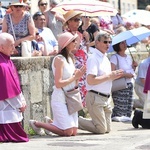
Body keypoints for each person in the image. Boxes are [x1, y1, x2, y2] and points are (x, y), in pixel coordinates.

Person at [29, 32, 86, 136]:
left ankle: (51, 123)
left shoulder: (70, 58)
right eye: (73, 41)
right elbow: (58, 83)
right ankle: (37, 124)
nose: (76, 42)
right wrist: (75, 77)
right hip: (60, 97)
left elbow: (73, 80)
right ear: (67, 43)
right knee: (68, 132)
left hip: (70, 96)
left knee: (73, 132)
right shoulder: (59, 59)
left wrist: (77, 77)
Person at [78, 32, 124, 134]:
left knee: (107, 130)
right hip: (95, 96)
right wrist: (109, 76)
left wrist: (114, 76)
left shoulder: (105, 58)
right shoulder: (94, 58)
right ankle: (75, 121)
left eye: (109, 42)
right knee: (101, 129)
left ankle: (79, 121)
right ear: (97, 43)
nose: (108, 44)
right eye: (105, 42)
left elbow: (106, 78)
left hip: (106, 98)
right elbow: (91, 80)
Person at [0, 32, 28, 142]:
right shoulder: (2, 65)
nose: (14, 47)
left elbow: (14, 83)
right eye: (11, 45)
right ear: (1, 47)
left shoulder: (6, 59)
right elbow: (7, 89)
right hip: (6, 104)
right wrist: (19, 104)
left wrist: (22, 100)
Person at [64, 10, 88, 107]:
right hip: (74, 64)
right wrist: (78, 39)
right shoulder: (67, 34)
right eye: (76, 20)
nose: (78, 22)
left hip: (82, 64)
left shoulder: (78, 33)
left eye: (79, 20)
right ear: (69, 21)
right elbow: (72, 50)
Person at [110, 41, 137, 122]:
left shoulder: (128, 57)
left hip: (130, 83)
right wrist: (125, 74)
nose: (125, 44)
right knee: (120, 106)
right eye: (122, 43)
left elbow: (131, 71)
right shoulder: (114, 57)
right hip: (120, 85)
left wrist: (134, 67)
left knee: (128, 106)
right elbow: (112, 72)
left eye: (125, 43)